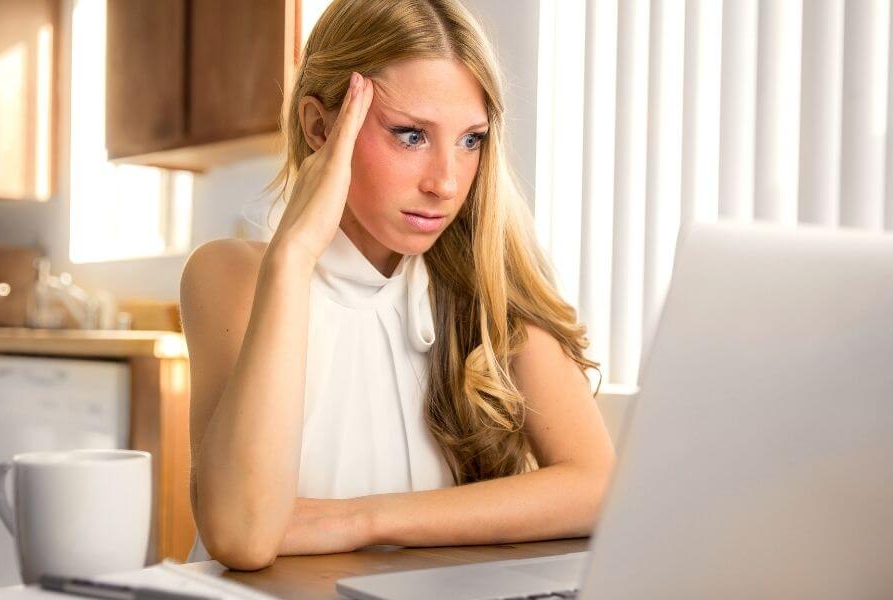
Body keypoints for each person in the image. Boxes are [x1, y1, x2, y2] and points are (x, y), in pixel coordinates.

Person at [179, 0, 614, 570]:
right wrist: (294, 256)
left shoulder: (489, 290)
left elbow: (597, 488)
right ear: (320, 127)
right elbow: (242, 534)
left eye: (470, 140)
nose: (446, 182)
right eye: (410, 135)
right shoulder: (230, 274)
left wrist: (362, 520)